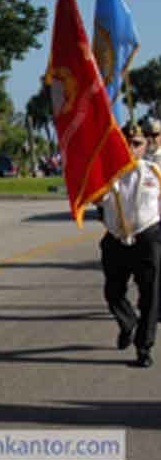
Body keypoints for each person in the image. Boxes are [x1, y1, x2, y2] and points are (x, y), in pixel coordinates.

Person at [97, 122, 161, 368]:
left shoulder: (154, 172)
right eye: (126, 143)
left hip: (147, 237)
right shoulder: (106, 173)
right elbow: (96, 199)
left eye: (137, 143)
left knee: (150, 296)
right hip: (115, 239)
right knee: (113, 292)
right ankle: (128, 322)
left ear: (145, 146)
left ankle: (144, 348)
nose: (131, 148)